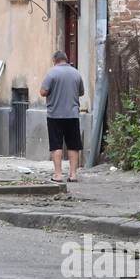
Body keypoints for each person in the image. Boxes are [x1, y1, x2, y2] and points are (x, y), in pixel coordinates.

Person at [40, 50, 85, 182]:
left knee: (56, 145)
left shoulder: (52, 73)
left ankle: (58, 175)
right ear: (65, 59)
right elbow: (81, 92)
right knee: (73, 145)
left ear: (55, 60)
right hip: (72, 115)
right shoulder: (76, 73)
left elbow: (43, 92)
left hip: (55, 115)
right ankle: (73, 175)